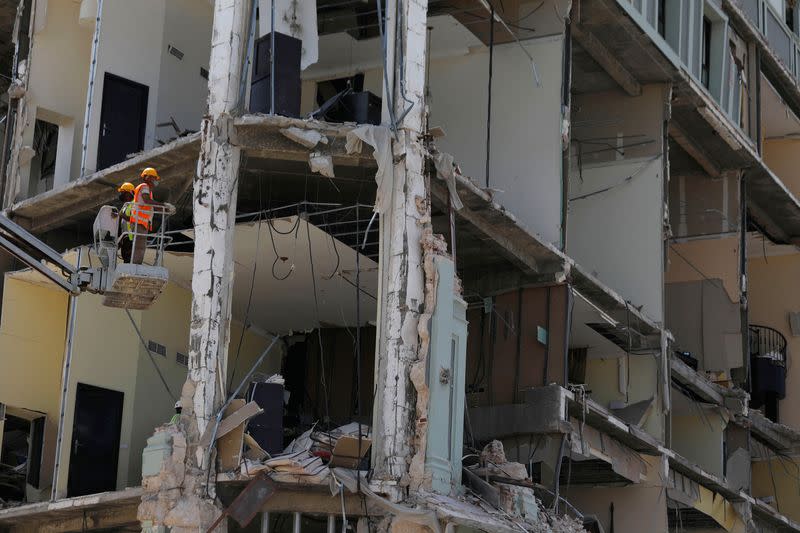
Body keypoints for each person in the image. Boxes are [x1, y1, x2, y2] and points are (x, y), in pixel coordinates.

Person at [130, 167, 165, 264]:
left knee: (140, 246)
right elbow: (147, 201)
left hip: (141, 222)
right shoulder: (145, 186)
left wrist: (163, 209)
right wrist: (163, 205)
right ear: (148, 177)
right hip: (139, 221)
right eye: (154, 178)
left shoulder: (148, 190)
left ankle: (136, 264)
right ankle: (136, 265)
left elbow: (150, 205)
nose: (155, 181)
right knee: (139, 246)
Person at [116, 182, 135, 263]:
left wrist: (121, 215)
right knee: (124, 256)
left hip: (131, 237)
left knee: (128, 257)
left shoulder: (135, 204)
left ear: (128, 193)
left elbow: (135, 219)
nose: (122, 195)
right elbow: (121, 217)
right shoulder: (126, 205)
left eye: (123, 193)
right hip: (125, 236)